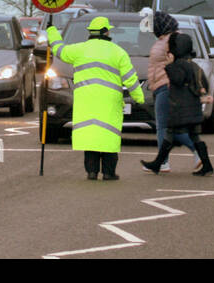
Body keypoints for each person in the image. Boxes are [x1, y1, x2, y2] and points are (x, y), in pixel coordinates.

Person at [45, 16, 145, 181]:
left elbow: (59, 50)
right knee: (108, 136)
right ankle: (109, 173)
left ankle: (91, 172)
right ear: (106, 32)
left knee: (90, 137)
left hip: (86, 101)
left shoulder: (79, 50)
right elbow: (130, 79)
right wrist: (139, 98)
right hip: (109, 102)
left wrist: (52, 31)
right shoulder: (118, 52)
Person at [142, 33, 214, 176]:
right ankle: (206, 165)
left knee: (170, 134)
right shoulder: (194, 65)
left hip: (181, 107)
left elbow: (177, 79)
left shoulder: (179, 65)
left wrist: (169, 66)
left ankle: (159, 164)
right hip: (192, 107)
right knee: (191, 136)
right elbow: (203, 83)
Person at [145, 11, 179, 173]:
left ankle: (163, 161)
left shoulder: (171, 40)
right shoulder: (164, 39)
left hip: (166, 86)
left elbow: (175, 62)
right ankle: (199, 156)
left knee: (162, 126)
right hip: (159, 86)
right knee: (168, 126)